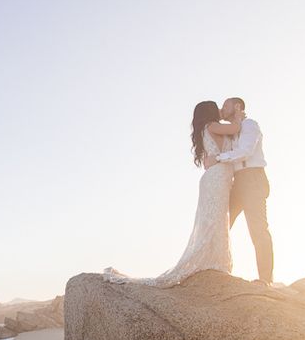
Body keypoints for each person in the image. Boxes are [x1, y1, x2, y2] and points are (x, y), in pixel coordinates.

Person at [103, 100, 240, 288]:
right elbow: (235, 129)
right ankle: (213, 262)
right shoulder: (213, 126)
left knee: (215, 220)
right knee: (214, 220)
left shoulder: (208, 128)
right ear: (209, 112)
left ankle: (214, 262)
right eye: (216, 107)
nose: (219, 110)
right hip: (217, 178)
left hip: (218, 177)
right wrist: (238, 114)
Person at [205, 97, 274, 285]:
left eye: (225, 105)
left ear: (237, 106)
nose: (222, 108)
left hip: (253, 178)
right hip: (237, 182)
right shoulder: (229, 130)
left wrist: (218, 158)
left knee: (258, 229)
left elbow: (246, 151)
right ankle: (211, 267)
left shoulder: (250, 125)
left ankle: (265, 279)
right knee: (222, 224)